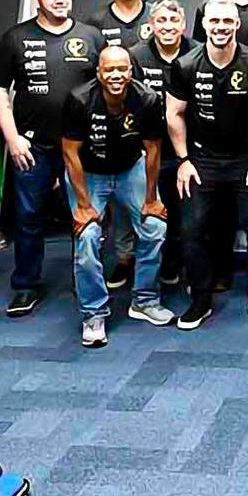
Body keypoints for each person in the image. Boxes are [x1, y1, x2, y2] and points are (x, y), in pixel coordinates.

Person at [0, 0, 104, 317]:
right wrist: (11, 138)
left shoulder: (90, 36)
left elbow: (110, 84)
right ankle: (26, 285)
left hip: (83, 146)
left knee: (86, 215)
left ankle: (84, 279)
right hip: (32, 146)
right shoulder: (16, 38)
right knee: (28, 217)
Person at [166, 0, 248, 330]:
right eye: (214, 21)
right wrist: (184, 160)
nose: (221, 28)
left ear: (237, 24)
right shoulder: (185, 65)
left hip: (246, 159)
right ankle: (200, 300)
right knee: (194, 230)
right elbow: (174, 113)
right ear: (203, 25)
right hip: (202, 160)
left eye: (227, 21)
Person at [61, 47, 171, 347]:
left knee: (155, 226)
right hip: (89, 172)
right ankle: (94, 313)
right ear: (99, 72)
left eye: (122, 69)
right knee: (86, 237)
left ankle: (145, 300)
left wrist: (151, 199)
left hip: (129, 168)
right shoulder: (80, 100)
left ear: (130, 72)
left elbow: (153, 151)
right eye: (109, 69)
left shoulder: (147, 99)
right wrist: (83, 206)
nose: (115, 75)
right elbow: (70, 154)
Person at [88, 0, 153, 293]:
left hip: (148, 117)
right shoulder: (96, 21)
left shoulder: (156, 15)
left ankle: (148, 267)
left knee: (144, 199)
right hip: (107, 122)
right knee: (112, 203)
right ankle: (121, 260)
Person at [129, 0, 192, 287]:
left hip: (188, 151)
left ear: (183, 25)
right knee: (149, 214)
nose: (168, 27)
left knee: (185, 215)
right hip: (146, 149)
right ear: (151, 26)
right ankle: (143, 273)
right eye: (161, 21)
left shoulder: (196, 52)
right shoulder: (135, 56)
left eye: (173, 20)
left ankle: (175, 264)